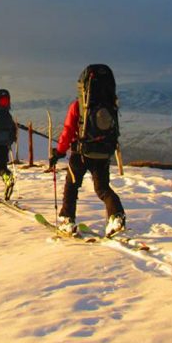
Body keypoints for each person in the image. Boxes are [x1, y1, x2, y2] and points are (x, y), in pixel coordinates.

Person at [50, 64, 126, 237]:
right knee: (103, 188)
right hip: (104, 152)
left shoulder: (79, 106)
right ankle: (116, 216)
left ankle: (67, 220)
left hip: (81, 153)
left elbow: (68, 130)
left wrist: (59, 152)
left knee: (72, 186)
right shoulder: (111, 105)